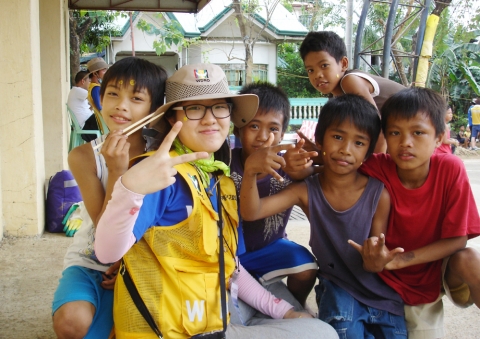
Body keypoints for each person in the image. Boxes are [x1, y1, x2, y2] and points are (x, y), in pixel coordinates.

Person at [94, 63, 338, 339]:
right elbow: (107, 253)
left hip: (210, 315)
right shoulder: (160, 174)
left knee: (293, 309)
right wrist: (129, 188)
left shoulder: (217, 176)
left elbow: (228, 265)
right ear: (173, 120)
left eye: (219, 107)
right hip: (172, 329)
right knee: (323, 336)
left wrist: (285, 312)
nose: (210, 119)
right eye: (195, 109)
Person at [239, 94, 407, 338]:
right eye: (337, 137)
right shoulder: (306, 190)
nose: (345, 149)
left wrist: (377, 259)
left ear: (369, 151)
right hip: (338, 287)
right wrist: (251, 172)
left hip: (382, 293)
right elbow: (251, 211)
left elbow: (375, 253)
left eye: (359, 143)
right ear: (319, 140)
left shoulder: (378, 194)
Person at [347, 87, 480, 339]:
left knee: (470, 259)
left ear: (439, 137)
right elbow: (337, 168)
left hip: (433, 273)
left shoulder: (450, 168)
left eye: (418, 132)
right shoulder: (377, 166)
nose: (405, 142)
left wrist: (400, 260)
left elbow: (457, 240)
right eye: (395, 133)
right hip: (383, 279)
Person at [52, 57, 168, 339]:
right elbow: (105, 229)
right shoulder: (83, 156)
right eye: (113, 93)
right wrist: (117, 169)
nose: (121, 105)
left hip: (143, 260)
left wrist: (133, 264)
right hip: (91, 261)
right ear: (99, 99)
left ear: (153, 110)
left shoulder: (161, 156)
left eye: (136, 98)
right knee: (71, 323)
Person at [231, 82, 318, 307]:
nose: (263, 137)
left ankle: (296, 303)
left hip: (271, 250)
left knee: (306, 266)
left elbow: (313, 174)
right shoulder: (226, 163)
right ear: (237, 129)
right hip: (229, 255)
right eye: (253, 126)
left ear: (282, 134)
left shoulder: (289, 166)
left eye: (272, 129)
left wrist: (305, 169)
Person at [299, 31, 405, 153]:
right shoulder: (336, 97)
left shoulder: (349, 81)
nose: (317, 75)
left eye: (324, 65)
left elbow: (378, 130)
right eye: (311, 70)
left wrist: (374, 169)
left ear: (343, 64)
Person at [67, 70, 100, 141]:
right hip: (86, 125)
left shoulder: (75, 91)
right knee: (106, 118)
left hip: (86, 122)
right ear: (83, 81)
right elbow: (96, 98)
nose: (90, 84)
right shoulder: (77, 90)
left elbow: (92, 104)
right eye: (89, 82)